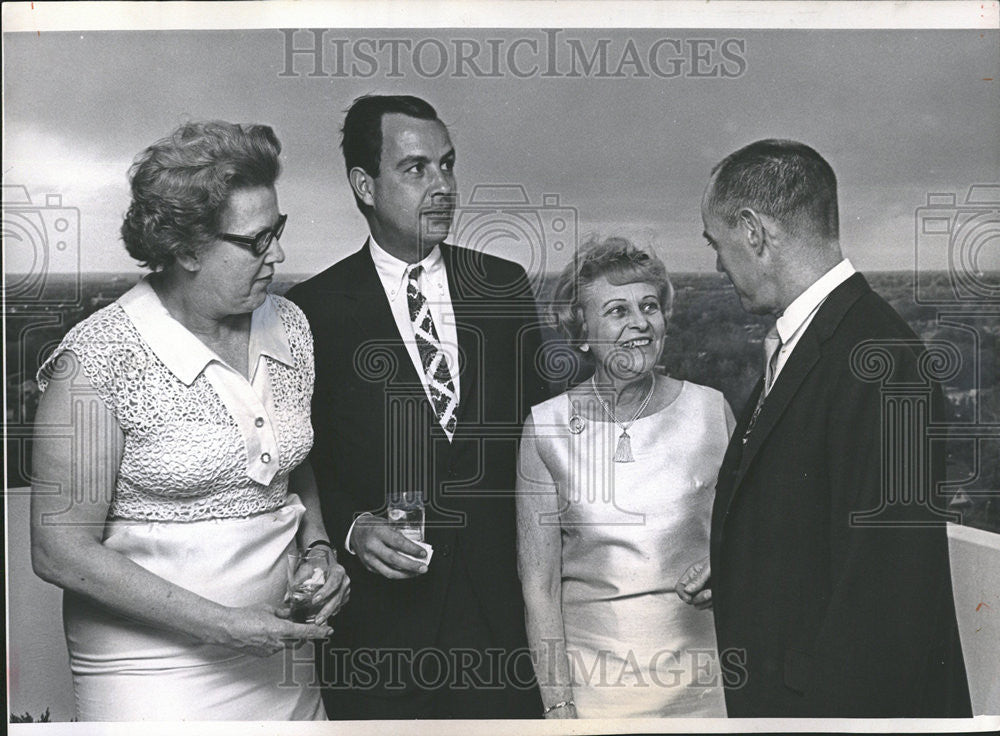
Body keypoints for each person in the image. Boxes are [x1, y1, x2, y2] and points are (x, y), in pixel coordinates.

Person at [30, 121, 349, 721]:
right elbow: (59, 551)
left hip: (279, 659)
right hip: (150, 673)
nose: (277, 253)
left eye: (277, 230)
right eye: (256, 240)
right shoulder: (100, 358)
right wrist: (222, 625)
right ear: (186, 248)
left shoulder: (291, 327)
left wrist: (320, 548)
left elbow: (288, 462)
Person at [285, 94, 548, 718]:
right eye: (416, 168)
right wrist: (350, 528)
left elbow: (550, 439)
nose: (443, 186)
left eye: (448, 165)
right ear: (364, 184)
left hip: (502, 626)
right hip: (378, 639)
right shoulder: (310, 312)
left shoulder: (504, 286)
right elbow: (300, 459)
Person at [689, 138, 972, 716]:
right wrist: (744, 564)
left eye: (717, 244)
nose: (718, 265)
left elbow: (888, 603)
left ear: (753, 231)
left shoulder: (886, 364)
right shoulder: (827, 339)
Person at [516, 237, 733, 718]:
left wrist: (732, 569)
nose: (640, 323)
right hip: (596, 697)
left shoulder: (711, 411)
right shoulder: (545, 429)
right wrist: (558, 707)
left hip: (706, 690)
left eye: (649, 306)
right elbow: (540, 588)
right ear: (582, 331)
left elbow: (757, 542)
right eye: (617, 310)